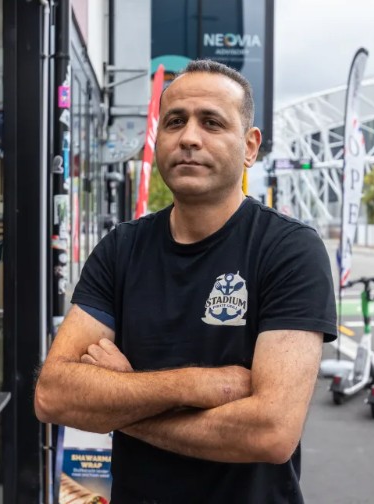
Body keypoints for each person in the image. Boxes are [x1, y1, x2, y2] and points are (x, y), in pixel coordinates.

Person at [34, 59, 337, 503]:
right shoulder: (121, 249)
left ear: (250, 146)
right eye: (175, 121)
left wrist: (121, 402)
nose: (189, 137)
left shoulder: (289, 250)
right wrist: (195, 385)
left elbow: (271, 431)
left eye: (212, 122)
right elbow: (53, 394)